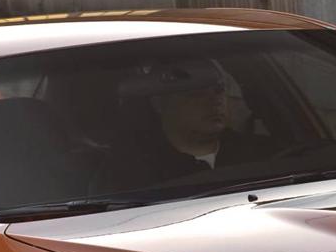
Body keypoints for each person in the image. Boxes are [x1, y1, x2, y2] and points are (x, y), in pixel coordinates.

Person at [94, 58, 275, 193]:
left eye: (218, 90)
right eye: (196, 94)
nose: (215, 101)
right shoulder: (129, 174)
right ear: (160, 104)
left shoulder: (266, 154)